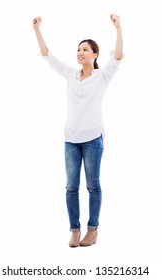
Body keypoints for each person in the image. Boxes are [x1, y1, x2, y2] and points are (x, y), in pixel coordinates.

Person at [33, 14, 123, 247]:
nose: (80, 52)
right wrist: (37, 29)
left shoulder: (101, 76)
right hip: (70, 139)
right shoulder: (70, 75)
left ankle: (92, 230)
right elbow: (48, 56)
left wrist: (118, 27)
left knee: (93, 185)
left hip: (93, 139)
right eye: (78, 49)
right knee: (71, 187)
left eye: (85, 49)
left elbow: (119, 57)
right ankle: (75, 229)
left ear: (94, 55)